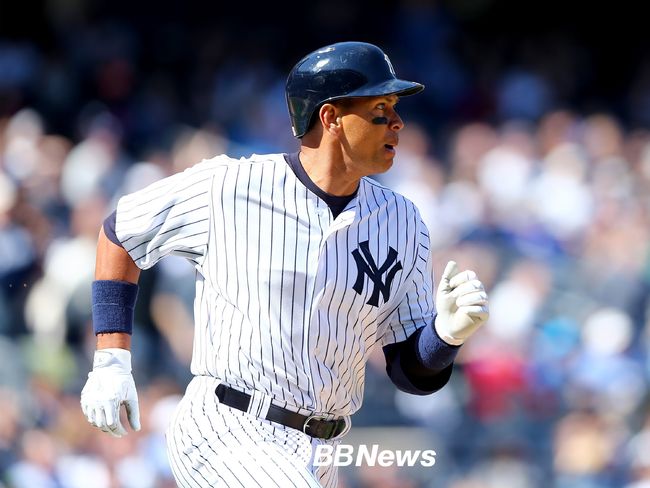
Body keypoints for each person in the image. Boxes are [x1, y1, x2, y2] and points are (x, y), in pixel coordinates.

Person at [80, 41, 489, 488]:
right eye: (379, 109)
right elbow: (122, 232)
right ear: (331, 118)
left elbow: (410, 373)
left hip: (324, 448)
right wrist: (112, 360)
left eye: (394, 107)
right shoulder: (232, 186)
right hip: (229, 425)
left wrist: (445, 337)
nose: (397, 122)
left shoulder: (403, 222)